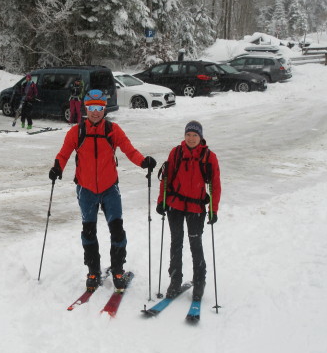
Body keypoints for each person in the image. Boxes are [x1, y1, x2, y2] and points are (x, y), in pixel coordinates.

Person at [49, 89, 157, 292]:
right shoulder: (77, 132)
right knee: (88, 231)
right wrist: (57, 168)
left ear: (104, 109)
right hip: (86, 190)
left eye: (99, 108)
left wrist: (143, 161)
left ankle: (118, 272)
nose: (95, 112)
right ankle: (93, 272)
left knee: (117, 230)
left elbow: (128, 149)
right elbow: (63, 154)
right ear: (86, 109)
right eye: (91, 108)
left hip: (110, 189)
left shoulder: (113, 130)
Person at [156, 120, 221, 302]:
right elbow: (165, 179)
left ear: (200, 137)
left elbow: (215, 185)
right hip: (175, 205)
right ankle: (175, 280)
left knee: (195, 245)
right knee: (176, 243)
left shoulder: (209, 157)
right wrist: (162, 201)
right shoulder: (176, 152)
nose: (191, 138)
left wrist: (213, 210)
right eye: (188, 135)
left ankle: (199, 282)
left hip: (196, 208)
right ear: (184, 136)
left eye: (195, 135)